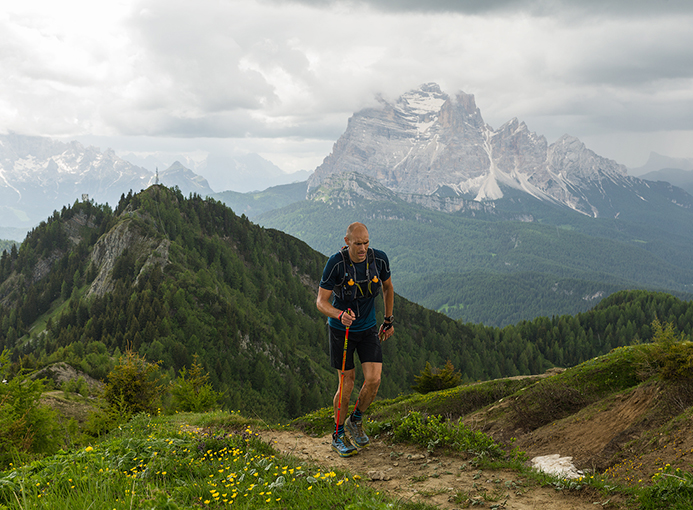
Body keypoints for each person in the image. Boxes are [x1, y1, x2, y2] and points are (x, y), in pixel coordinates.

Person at [316, 222, 395, 457]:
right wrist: (339, 315)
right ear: (347, 241)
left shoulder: (379, 260)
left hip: (368, 327)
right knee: (347, 383)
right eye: (358, 243)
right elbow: (321, 301)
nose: (362, 248)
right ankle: (338, 435)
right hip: (342, 331)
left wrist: (388, 320)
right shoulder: (336, 264)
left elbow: (388, 287)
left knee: (374, 380)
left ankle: (355, 419)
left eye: (366, 243)